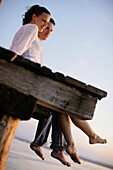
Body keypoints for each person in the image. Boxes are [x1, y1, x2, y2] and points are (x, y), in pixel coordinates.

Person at [30, 18, 71, 167]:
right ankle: (57, 148)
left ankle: (54, 147)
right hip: (27, 86)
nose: (48, 32)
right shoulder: (32, 36)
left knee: (58, 107)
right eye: (46, 28)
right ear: (40, 26)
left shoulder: (38, 45)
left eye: (51, 30)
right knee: (57, 106)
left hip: (31, 84)